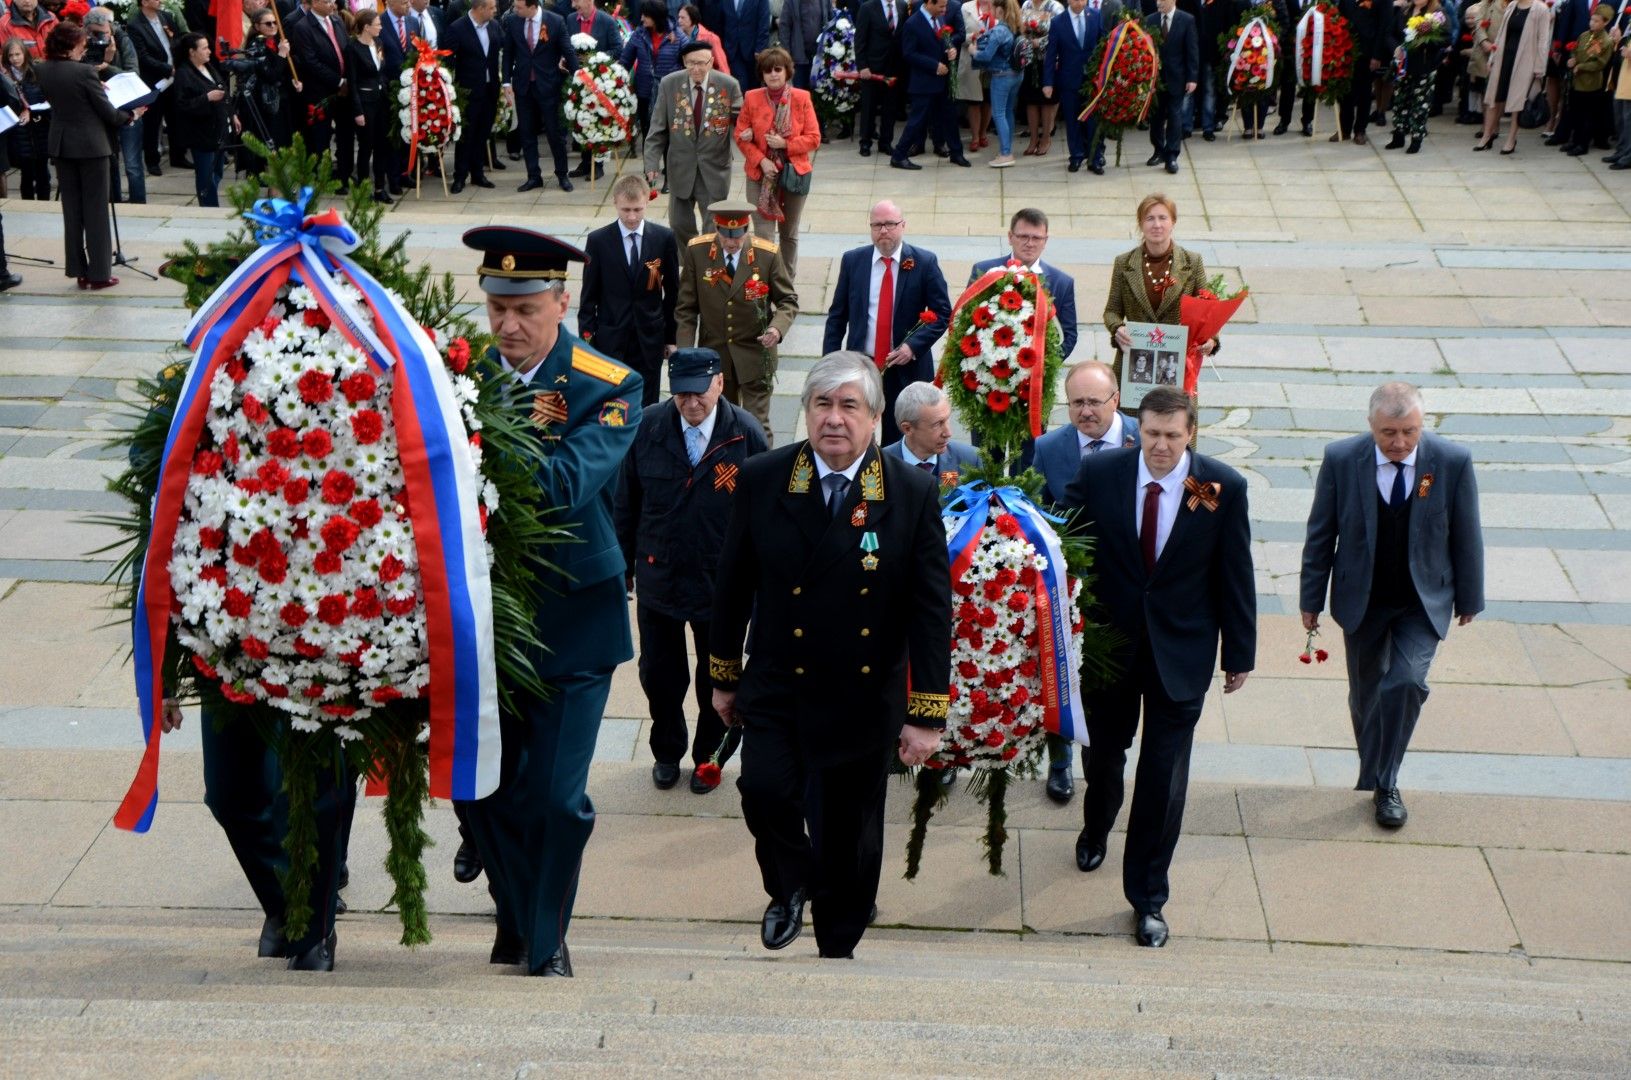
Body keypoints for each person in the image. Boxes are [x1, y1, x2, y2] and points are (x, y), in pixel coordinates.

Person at [710, 350, 952, 960]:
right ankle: (789, 885)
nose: (834, 419)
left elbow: (929, 609)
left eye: (849, 406)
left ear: (875, 419)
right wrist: (722, 676)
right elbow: (733, 584)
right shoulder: (765, 476)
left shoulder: (912, 492)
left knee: (849, 835)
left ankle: (837, 948)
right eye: (822, 404)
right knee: (762, 792)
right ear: (806, 413)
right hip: (777, 682)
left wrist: (926, 714)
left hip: (862, 694)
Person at [456, 225, 645, 978]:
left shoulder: (608, 382)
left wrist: (464, 451)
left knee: (556, 798)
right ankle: (516, 917)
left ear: (561, 303)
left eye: (526, 307)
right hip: (483, 620)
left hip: (571, 620)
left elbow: (565, 484)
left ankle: (544, 940)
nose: (508, 324)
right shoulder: (457, 375)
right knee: (483, 792)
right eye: (497, 306)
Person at [1062, 386, 1255, 949]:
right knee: (1104, 757)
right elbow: (1066, 539)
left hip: (1182, 655)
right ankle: (1096, 824)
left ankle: (1148, 897)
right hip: (1113, 649)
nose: (1162, 447)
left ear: (1191, 433)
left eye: (1173, 436)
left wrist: (1238, 652)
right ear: (1136, 430)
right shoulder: (1104, 475)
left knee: (1163, 779)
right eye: (1151, 435)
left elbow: (1234, 572)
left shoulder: (1218, 488)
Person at [1299, 382, 1485, 830]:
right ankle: (1377, 772)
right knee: (1366, 697)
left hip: (1424, 601)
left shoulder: (1451, 461)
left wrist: (1470, 596)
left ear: (1423, 425)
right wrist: (1311, 599)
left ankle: (1386, 783)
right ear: (1370, 427)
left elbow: (1466, 532)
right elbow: (1321, 533)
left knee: (1403, 683)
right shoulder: (1343, 460)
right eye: (1388, 433)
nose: (1400, 443)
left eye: (1409, 431)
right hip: (1362, 599)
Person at [615, 347, 770, 792]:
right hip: (659, 576)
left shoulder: (745, 435)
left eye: (700, 392)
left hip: (719, 585)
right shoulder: (647, 427)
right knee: (660, 677)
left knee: (717, 677)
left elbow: (766, 512)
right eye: (682, 394)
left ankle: (710, 757)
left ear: (719, 383)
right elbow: (625, 502)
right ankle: (666, 751)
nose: (691, 403)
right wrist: (622, 567)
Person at [1028, 359, 1137, 804]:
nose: (1086, 411)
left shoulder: (1145, 437)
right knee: (1059, 674)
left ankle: (1104, 766)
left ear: (1115, 400)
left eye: (1095, 401)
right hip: (1071, 590)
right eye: (1077, 403)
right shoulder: (1049, 448)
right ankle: (1059, 764)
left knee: (1114, 698)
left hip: (1130, 592)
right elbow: (1038, 516)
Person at [821, 199, 952, 446]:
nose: (883, 231)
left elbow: (943, 312)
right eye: (877, 225)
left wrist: (912, 346)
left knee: (901, 438)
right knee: (857, 432)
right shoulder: (853, 261)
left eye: (890, 224)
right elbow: (838, 316)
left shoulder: (924, 263)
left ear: (903, 225)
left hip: (905, 367)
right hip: (862, 365)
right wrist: (829, 364)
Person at [674, 201, 798, 436]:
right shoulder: (698, 252)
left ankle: (760, 469)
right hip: (716, 355)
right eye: (726, 236)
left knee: (756, 425)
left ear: (746, 229)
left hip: (756, 355)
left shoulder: (767, 255)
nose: (731, 243)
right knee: (721, 425)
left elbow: (788, 300)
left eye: (738, 237)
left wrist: (776, 329)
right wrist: (685, 352)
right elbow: (686, 308)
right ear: (717, 229)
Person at [36, 20, 140, 290]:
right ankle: (99, 273)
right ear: (70, 46)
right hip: (91, 147)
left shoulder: (43, 69)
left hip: (62, 145)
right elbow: (108, 113)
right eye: (81, 45)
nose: (84, 50)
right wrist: (131, 116)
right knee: (95, 211)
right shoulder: (84, 73)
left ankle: (78, 270)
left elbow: (69, 98)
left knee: (72, 211)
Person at [579, 172, 681, 407]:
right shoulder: (599, 241)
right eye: (626, 210)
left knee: (648, 406)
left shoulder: (663, 238)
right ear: (615, 202)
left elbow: (672, 293)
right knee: (612, 406)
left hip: (649, 339)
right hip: (611, 340)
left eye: (637, 209)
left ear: (647, 201)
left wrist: (670, 337)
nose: (632, 216)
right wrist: (588, 341)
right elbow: (588, 298)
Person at [1103, 194, 1219, 382]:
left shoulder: (1192, 261)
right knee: (1133, 412)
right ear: (1140, 224)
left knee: (1174, 411)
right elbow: (1111, 311)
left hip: (1177, 363)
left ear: (1173, 222)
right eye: (1150, 218)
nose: (1156, 225)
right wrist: (1117, 328)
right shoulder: (1123, 263)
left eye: (1162, 218)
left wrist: (1211, 339)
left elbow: (1208, 312)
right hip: (1135, 361)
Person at [643, 39, 742, 244]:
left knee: (712, 226)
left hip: (714, 167)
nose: (696, 68)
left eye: (701, 63)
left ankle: (707, 268)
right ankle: (688, 266)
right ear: (684, 62)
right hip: (680, 166)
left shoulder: (729, 85)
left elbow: (743, 118)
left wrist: (749, 134)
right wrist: (651, 163)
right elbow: (657, 128)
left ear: (712, 61)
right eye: (690, 63)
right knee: (679, 224)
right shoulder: (670, 84)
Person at [734, 45, 819, 279]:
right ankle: (763, 283)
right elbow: (739, 135)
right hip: (760, 176)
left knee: (789, 233)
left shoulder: (802, 98)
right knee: (763, 234)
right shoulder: (751, 97)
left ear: (787, 72)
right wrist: (761, 161)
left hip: (794, 175)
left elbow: (814, 138)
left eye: (778, 70)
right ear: (761, 74)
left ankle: (786, 283)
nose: (773, 74)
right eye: (768, 70)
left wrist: (785, 145)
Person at [967, 207, 1077, 360]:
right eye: (1023, 236)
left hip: (1036, 375)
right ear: (1010, 237)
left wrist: (1043, 366)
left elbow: (1068, 335)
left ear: (1045, 240)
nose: (1029, 243)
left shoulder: (1062, 283)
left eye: (1036, 238)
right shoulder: (984, 271)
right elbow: (965, 320)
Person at [503, 0, 576, 192]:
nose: (515, 10)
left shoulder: (555, 21)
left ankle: (562, 175)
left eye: (519, 7)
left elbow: (568, 51)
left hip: (548, 85)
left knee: (554, 133)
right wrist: (506, 82)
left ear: (532, 6)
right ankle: (533, 176)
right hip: (523, 85)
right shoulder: (512, 22)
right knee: (527, 133)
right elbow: (508, 53)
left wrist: (578, 77)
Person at [890, 0, 971, 169]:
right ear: (929, 3)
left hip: (943, 80)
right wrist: (934, 66)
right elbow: (909, 53)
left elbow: (941, 42)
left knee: (949, 117)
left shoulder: (939, 18)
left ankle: (956, 153)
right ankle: (899, 155)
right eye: (941, 6)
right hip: (924, 81)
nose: (945, 10)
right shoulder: (913, 23)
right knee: (917, 120)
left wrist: (950, 50)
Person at [226, 7, 300, 177]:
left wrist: (294, 81)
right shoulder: (256, 47)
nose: (273, 26)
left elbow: (283, 72)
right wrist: (282, 54)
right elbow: (270, 75)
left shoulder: (275, 42)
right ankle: (266, 174)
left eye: (275, 22)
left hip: (280, 100)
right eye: (268, 23)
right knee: (270, 140)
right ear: (257, 26)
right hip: (265, 104)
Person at [81, 8, 144, 205]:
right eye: (94, 33)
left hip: (127, 106)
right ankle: (114, 202)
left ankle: (139, 206)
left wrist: (107, 66)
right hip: (101, 111)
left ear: (111, 28)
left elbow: (133, 74)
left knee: (133, 164)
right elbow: (78, 75)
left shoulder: (122, 39)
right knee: (110, 162)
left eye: (104, 32)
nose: (100, 37)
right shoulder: (81, 43)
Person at [1474, 0, 1550, 151]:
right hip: (1504, 56)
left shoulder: (1541, 9)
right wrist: (1493, 57)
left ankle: (1511, 140)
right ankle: (1487, 136)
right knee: (1493, 97)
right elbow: (1502, 34)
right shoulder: (1512, 5)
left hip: (1526, 60)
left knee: (1517, 101)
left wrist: (1539, 67)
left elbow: (1543, 40)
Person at [291, 0, 354, 179]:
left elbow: (345, 49)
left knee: (345, 134)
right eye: (327, 1)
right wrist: (338, 81)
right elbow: (311, 62)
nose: (332, 5)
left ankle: (344, 173)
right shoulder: (302, 27)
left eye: (333, 1)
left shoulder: (336, 21)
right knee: (320, 135)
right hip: (320, 90)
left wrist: (348, 79)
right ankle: (321, 175)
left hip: (344, 89)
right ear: (315, 3)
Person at [172, 32, 237, 207]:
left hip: (218, 128)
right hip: (201, 133)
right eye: (205, 48)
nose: (209, 51)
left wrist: (233, 115)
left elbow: (223, 91)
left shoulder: (208, 67)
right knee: (206, 176)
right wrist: (206, 98)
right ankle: (209, 207)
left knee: (217, 173)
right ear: (192, 52)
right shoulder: (184, 74)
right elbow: (182, 105)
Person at [565, 0, 623, 178]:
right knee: (581, 121)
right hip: (577, 80)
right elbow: (566, 45)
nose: (574, 5)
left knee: (598, 122)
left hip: (599, 81)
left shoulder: (607, 21)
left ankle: (597, 164)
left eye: (577, 1)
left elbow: (618, 49)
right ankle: (585, 161)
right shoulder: (571, 19)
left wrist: (595, 58)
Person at [445, 0, 499, 192]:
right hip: (467, 92)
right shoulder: (458, 28)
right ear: (480, 8)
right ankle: (460, 176)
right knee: (466, 136)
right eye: (492, 8)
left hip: (489, 89)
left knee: (482, 133)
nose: (495, 11)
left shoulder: (494, 26)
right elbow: (447, 60)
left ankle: (478, 174)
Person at [1041, 0, 1101, 172]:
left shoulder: (1095, 16)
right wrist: (1048, 82)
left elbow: (1103, 43)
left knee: (1093, 121)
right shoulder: (1058, 22)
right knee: (1072, 119)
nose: (1079, 2)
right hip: (1069, 80)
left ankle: (1095, 158)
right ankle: (1076, 155)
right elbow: (1051, 54)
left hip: (1092, 81)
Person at [343, 9, 396, 200]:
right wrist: (357, 111)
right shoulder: (352, 47)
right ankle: (364, 189)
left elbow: (381, 71)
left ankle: (380, 188)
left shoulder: (379, 43)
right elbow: (353, 82)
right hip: (365, 104)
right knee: (366, 147)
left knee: (382, 145)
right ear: (366, 27)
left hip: (381, 100)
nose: (381, 27)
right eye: (378, 24)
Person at [882, 380, 979, 484]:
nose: (948, 433)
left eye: (947, 420)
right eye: (937, 424)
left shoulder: (972, 460)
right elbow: (870, 500)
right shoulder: (877, 468)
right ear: (907, 428)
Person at [1385, 0, 1450, 152]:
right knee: (1400, 100)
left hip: (1424, 66)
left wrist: (1424, 41)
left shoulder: (1437, 13)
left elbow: (1446, 38)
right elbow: (1390, 33)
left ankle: (1416, 138)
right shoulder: (1404, 11)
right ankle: (1398, 135)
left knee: (1419, 104)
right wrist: (1396, 48)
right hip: (1403, 65)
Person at [621, 0, 683, 156]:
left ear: (656, 17)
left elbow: (689, 60)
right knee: (648, 132)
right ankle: (649, 171)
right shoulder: (639, 34)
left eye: (645, 15)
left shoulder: (677, 35)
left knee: (669, 135)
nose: (642, 19)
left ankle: (669, 174)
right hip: (645, 92)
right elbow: (625, 61)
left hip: (669, 94)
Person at [124, 0, 178, 176]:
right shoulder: (135, 26)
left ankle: (178, 155)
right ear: (144, 2)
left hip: (174, 77)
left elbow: (176, 42)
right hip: (154, 79)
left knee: (175, 117)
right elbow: (143, 56)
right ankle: (152, 160)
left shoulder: (166, 17)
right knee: (153, 121)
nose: (160, 1)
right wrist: (168, 69)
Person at [1143, 0, 1196, 174]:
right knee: (1156, 117)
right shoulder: (1150, 20)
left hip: (1177, 78)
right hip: (1156, 80)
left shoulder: (1186, 20)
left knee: (1175, 115)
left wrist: (1192, 78)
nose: (1159, 3)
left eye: (1163, 0)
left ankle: (1172, 155)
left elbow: (1192, 51)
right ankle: (1158, 150)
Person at [854, 0, 907, 157]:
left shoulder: (902, 6)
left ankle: (886, 142)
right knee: (869, 107)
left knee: (890, 107)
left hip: (893, 66)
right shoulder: (868, 8)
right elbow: (860, 39)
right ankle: (865, 142)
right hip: (871, 68)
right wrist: (862, 65)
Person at [969, 0, 1019, 164]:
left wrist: (973, 51)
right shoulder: (1015, 26)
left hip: (1001, 76)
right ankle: (1007, 149)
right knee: (1008, 112)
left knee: (998, 113)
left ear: (999, 10)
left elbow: (986, 56)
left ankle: (1006, 154)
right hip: (1017, 75)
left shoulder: (999, 31)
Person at [1337, 0, 1392, 146]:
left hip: (1368, 52)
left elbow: (1384, 26)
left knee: (1364, 92)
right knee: (1345, 92)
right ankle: (1344, 129)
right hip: (1346, 49)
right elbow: (1340, 16)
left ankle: (1360, 130)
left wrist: (1377, 55)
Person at [1562, 3, 1614, 154]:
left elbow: (1600, 63)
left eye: (1597, 21)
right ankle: (1575, 140)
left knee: (1587, 116)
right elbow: (1575, 50)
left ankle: (1582, 144)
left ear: (1605, 23)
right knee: (1575, 112)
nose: (1592, 23)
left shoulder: (1606, 41)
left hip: (1591, 83)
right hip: (1577, 81)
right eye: (1592, 19)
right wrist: (1572, 60)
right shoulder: (1584, 35)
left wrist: (1582, 67)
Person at [2, 38, 50, 199]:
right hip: (20, 131)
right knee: (26, 173)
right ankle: (28, 204)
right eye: (11, 55)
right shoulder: (5, 77)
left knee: (43, 172)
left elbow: (47, 97)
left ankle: (44, 205)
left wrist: (33, 110)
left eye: (18, 54)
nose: (15, 58)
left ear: (24, 53)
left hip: (40, 127)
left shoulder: (36, 72)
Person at [1017, 0, 1062, 155]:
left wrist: (1040, 42)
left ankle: (1046, 138)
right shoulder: (1026, 5)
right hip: (1030, 59)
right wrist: (1026, 41)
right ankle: (1033, 138)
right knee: (1031, 100)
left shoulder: (1055, 7)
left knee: (1046, 100)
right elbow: (1021, 28)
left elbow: (1060, 32)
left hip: (1049, 60)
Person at [703, 0, 767, 89]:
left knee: (754, 86)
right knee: (740, 84)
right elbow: (719, 22)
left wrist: (760, 48)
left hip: (752, 50)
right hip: (732, 50)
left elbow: (763, 23)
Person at [956, 0, 994, 151]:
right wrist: (973, 36)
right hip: (972, 57)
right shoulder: (966, 7)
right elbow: (960, 34)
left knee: (988, 99)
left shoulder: (999, 4)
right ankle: (975, 137)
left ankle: (983, 132)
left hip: (992, 59)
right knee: (974, 100)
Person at [781, 0, 831, 96]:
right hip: (799, 59)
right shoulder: (791, 2)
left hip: (821, 57)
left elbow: (831, 20)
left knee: (820, 94)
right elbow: (784, 27)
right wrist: (786, 54)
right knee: (800, 94)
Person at [676, 3, 728, 76]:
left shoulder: (710, 38)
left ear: (692, 18)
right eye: (679, 17)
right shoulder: (677, 38)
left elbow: (722, 66)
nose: (679, 21)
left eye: (683, 18)